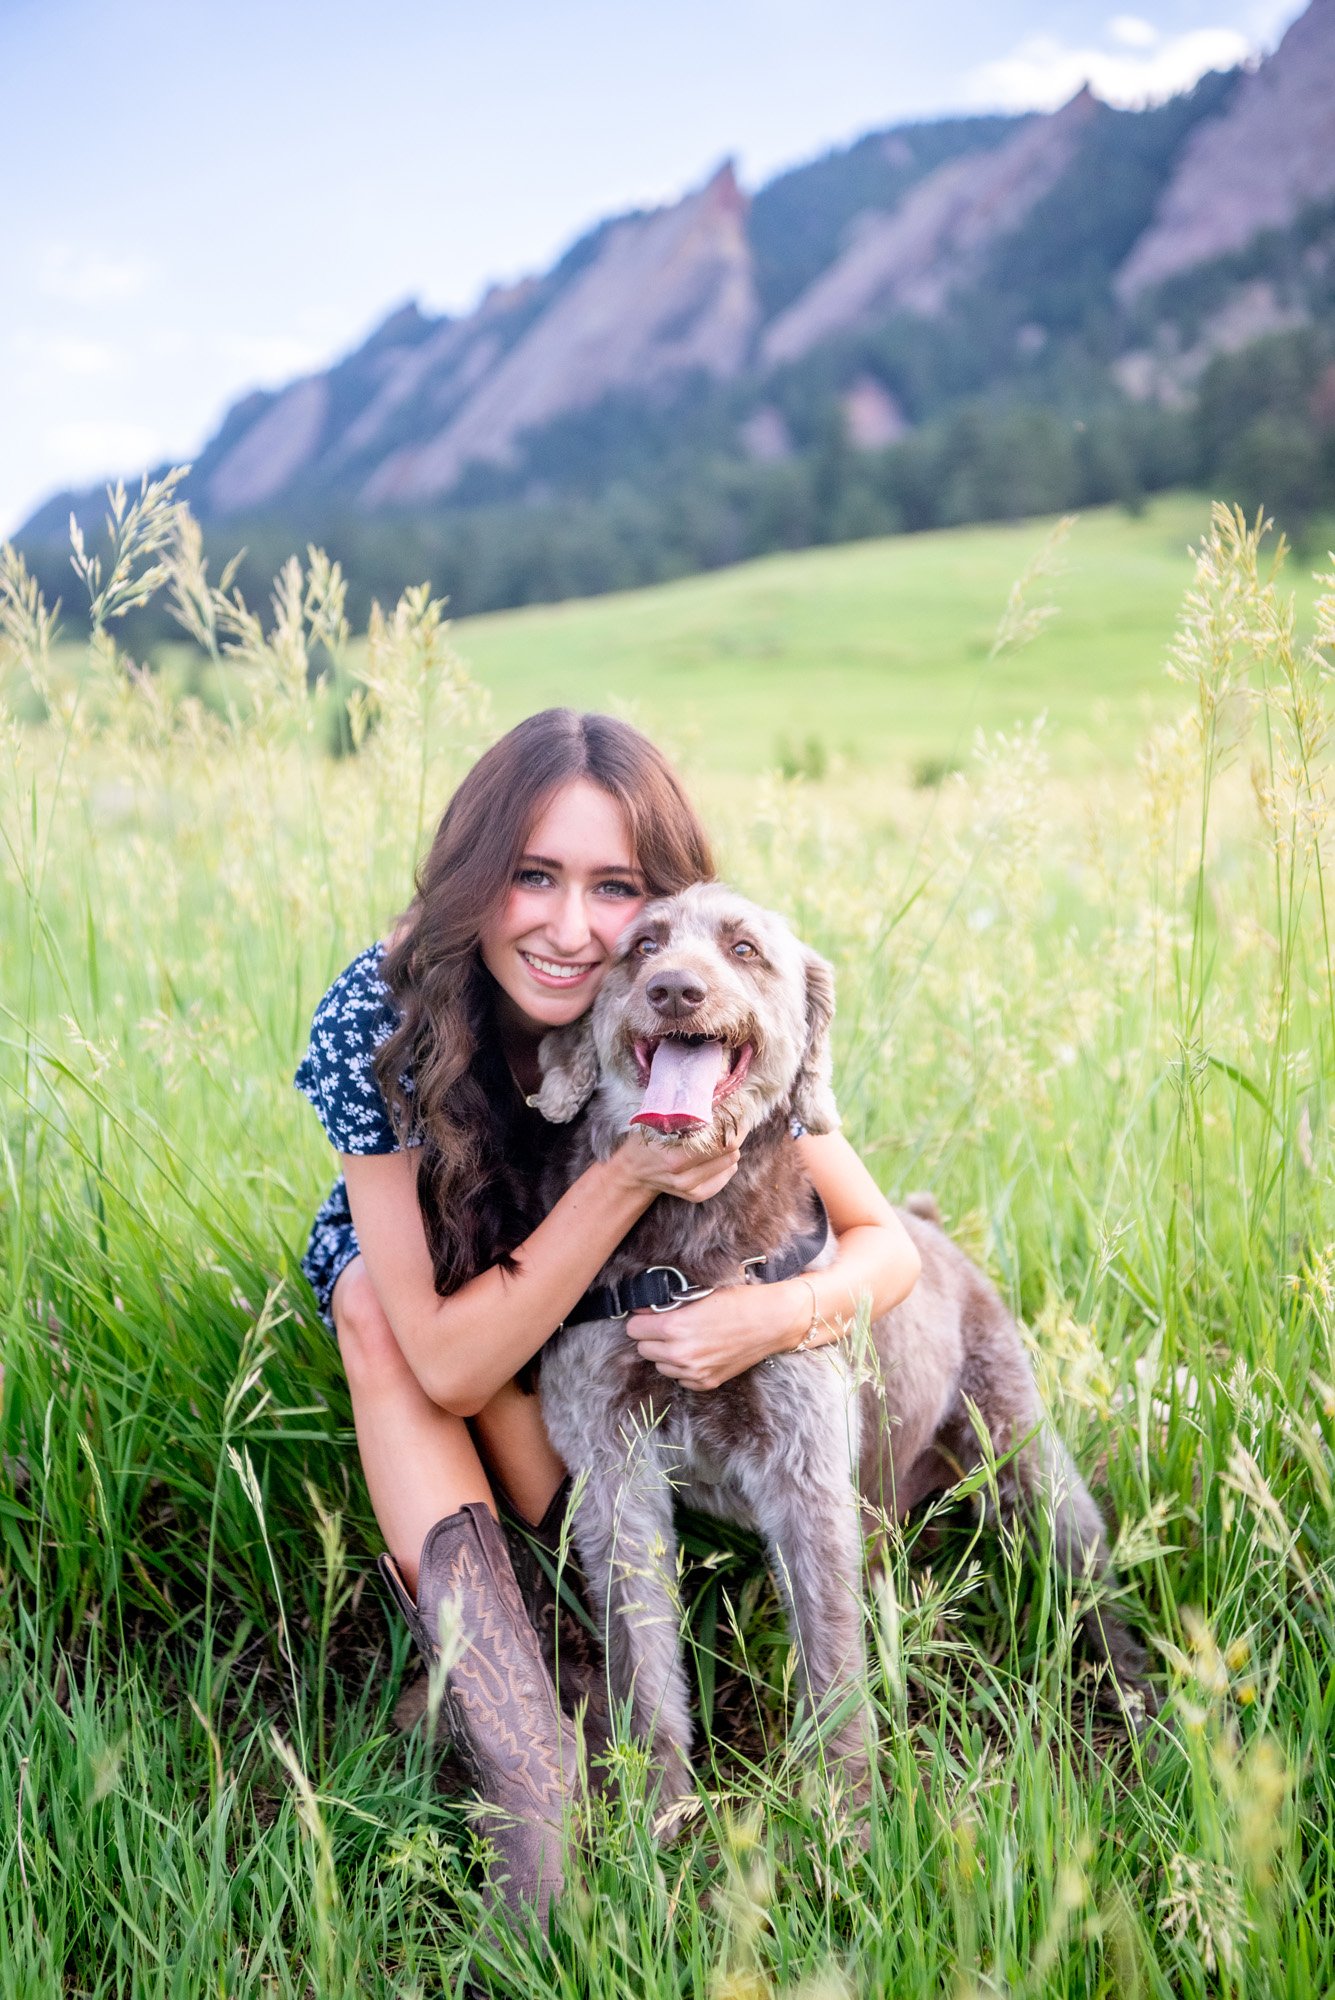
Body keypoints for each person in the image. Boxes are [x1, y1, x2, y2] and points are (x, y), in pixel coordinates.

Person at [293, 708, 921, 1922]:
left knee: (578, 1482)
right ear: (478, 872)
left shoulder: (681, 1000)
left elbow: (882, 1240)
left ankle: (578, 1635)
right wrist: (630, 1167)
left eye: (615, 885)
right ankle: (524, 1744)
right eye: (533, 875)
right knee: (377, 1308)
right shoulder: (378, 1011)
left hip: (598, 1316)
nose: (573, 928)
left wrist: (780, 1315)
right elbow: (452, 1364)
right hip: (448, 1287)